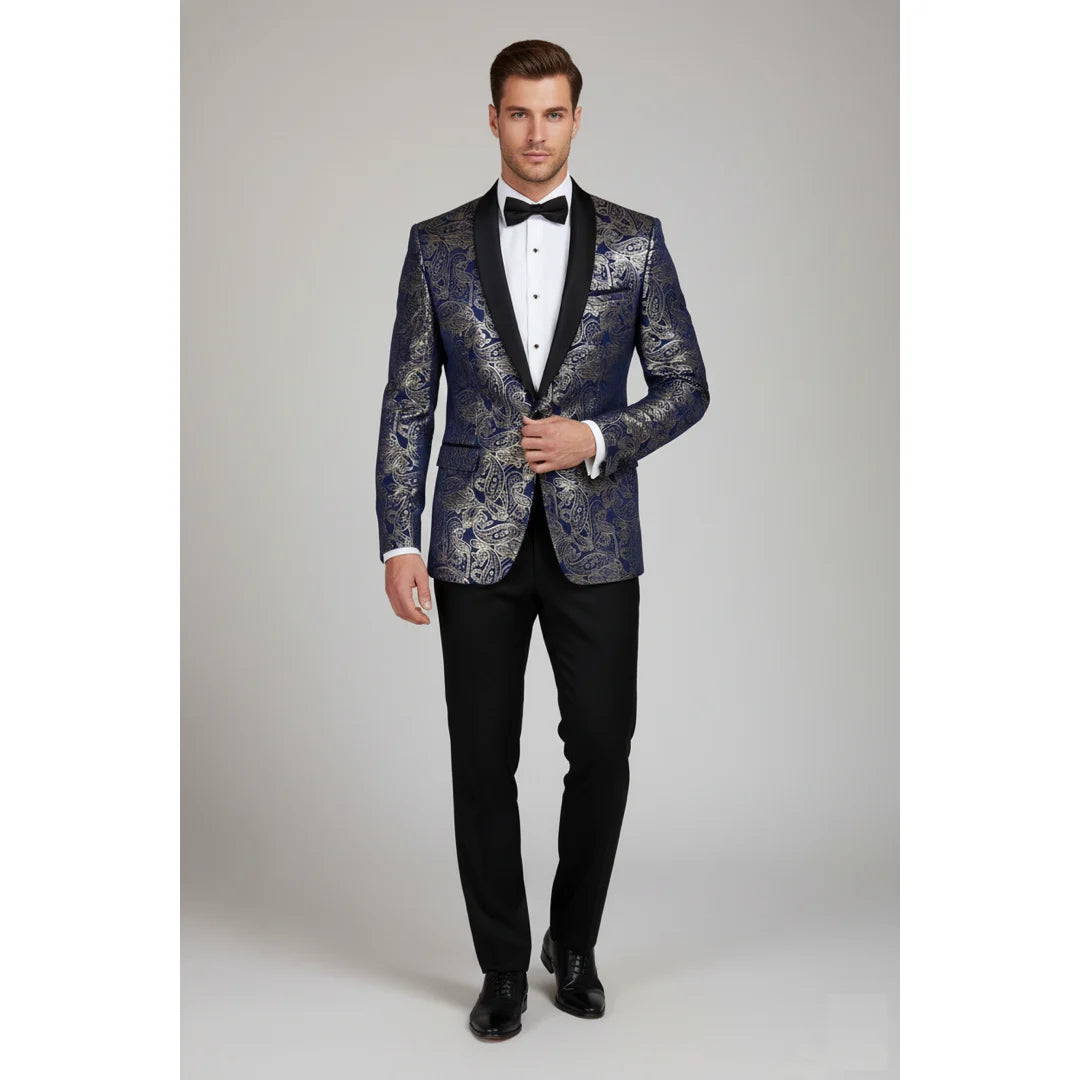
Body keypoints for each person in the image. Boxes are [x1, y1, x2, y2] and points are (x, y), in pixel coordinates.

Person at [375, 38, 710, 1040]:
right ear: (493, 118)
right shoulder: (436, 246)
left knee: (602, 746)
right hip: (470, 539)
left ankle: (574, 941)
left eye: (552, 113)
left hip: (594, 536)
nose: (535, 133)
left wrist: (596, 438)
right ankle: (501, 967)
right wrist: (397, 540)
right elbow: (407, 403)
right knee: (481, 758)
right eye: (518, 113)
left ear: (576, 118)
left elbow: (687, 383)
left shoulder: (635, 242)